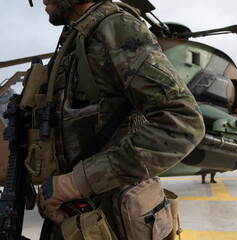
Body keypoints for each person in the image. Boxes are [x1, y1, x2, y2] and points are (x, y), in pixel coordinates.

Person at [36, 0, 205, 238]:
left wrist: (77, 182)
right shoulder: (76, 40)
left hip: (115, 220)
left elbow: (184, 123)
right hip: (80, 220)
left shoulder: (116, 29)